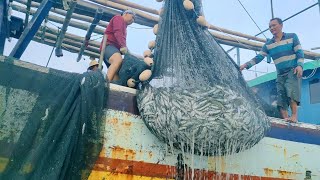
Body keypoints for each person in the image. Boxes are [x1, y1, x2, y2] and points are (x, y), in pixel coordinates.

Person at [240, 18, 304, 123]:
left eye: (274, 25)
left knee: (292, 92)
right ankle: (285, 119)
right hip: (280, 73)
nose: (271, 28)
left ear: (281, 25)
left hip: (292, 70)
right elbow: (259, 57)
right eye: (270, 27)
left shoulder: (292, 36)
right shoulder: (268, 44)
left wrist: (300, 66)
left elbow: (300, 52)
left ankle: (294, 117)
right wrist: (246, 65)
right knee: (280, 97)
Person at [101, 9, 136, 81]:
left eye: (134, 19)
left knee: (117, 71)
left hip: (114, 50)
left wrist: (125, 49)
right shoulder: (118, 18)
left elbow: (122, 39)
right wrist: (123, 46)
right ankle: (106, 83)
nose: (133, 20)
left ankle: (113, 86)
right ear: (126, 14)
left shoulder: (125, 27)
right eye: (132, 17)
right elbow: (118, 32)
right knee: (118, 59)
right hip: (109, 46)